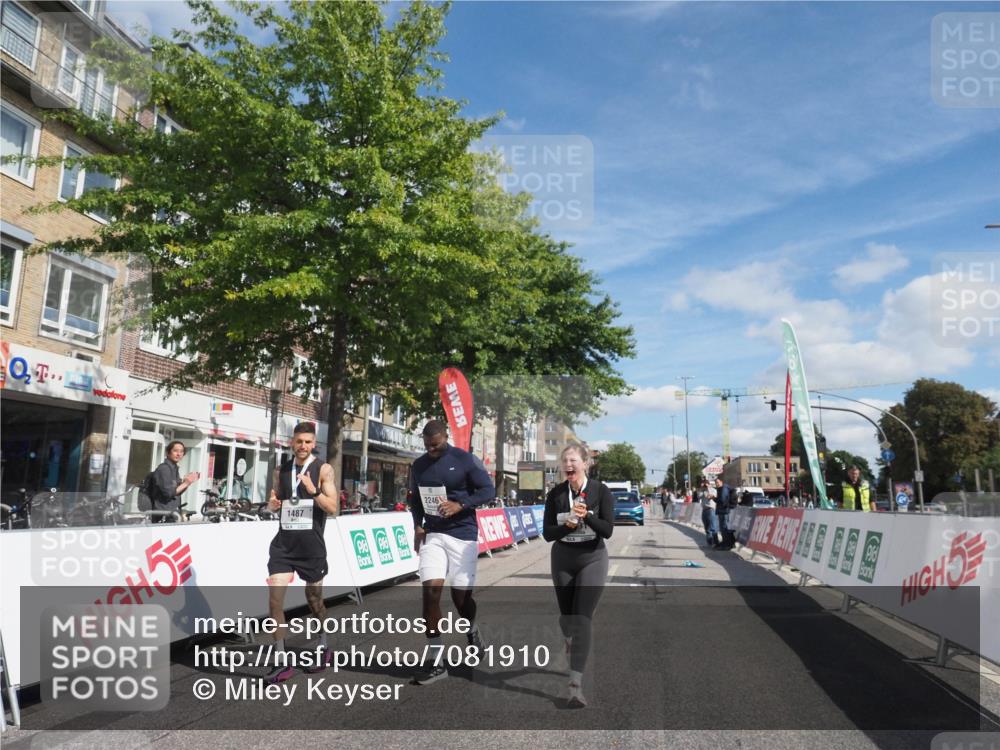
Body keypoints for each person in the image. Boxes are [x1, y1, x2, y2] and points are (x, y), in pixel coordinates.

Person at [409, 419, 495, 685]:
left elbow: (488, 490)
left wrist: (461, 504)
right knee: (430, 592)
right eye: (427, 446)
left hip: (463, 535)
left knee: (461, 600)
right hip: (434, 533)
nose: (431, 450)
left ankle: (471, 629)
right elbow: (416, 499)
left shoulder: (465, 460)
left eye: (435, 446)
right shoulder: (419, 465)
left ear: (445, 437)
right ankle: (436, 662)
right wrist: (418, 526)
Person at [264, 422, 339, 683]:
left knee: (314, 600)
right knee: (275, 602)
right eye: (299, 441)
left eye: (308, 441)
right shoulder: (280, 470)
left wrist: (313, 490)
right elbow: (274, 502)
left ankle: (323, 643)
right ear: (292, 442)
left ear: (313, 443)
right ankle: (281, 660)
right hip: (284, 545)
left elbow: (332, 507)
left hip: (311, 547)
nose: (303, 446)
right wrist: (272, 505)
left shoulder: (323, 469)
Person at [543, 443, 613, 708]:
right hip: (563, 558)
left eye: (573, 460)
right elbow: (548, 533)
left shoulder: (600, 491)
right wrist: (568, 525)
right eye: (565, 462)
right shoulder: (556, 494)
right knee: (567, 619)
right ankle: (569, 640)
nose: (568, 465)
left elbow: (607, 530)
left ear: (585, 463)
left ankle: (575, 686)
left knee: (582, 619)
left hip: (593, 558)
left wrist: (589, 517)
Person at [151, 441, 199, 523]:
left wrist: (187, 482)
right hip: (163, 515)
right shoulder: (164, 469)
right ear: (168, 452)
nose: (179, 454)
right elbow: (169, 493)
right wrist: (186, 483)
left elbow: (177, 492)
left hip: (171, 514)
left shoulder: (174, 468)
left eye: (181, 451)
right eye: (175, 451)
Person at [714, 477, 735, 550]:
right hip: (723, 510)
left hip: (724, 511)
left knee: (724, 528)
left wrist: (714, 498)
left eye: (717, 482)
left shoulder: (724, 489)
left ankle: (726, 544)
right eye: (715, 482)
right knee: (723, 528)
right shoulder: (722, 489)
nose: (716, 484)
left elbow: (722, 500)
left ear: (721, 482)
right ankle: (725, 543)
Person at [699, 479, 717, 547]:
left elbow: (710, 496)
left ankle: (715, 542)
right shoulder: (702, 490)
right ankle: (710, 542)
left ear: (708, 484)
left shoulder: (713, 490)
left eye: (705, 484)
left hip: (710, 509)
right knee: (706, 527)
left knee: (712, 527)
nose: (704, 485)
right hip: (704, 510)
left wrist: (708, 488)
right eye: (703, 484)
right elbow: (699, 496)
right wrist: (701, 489)